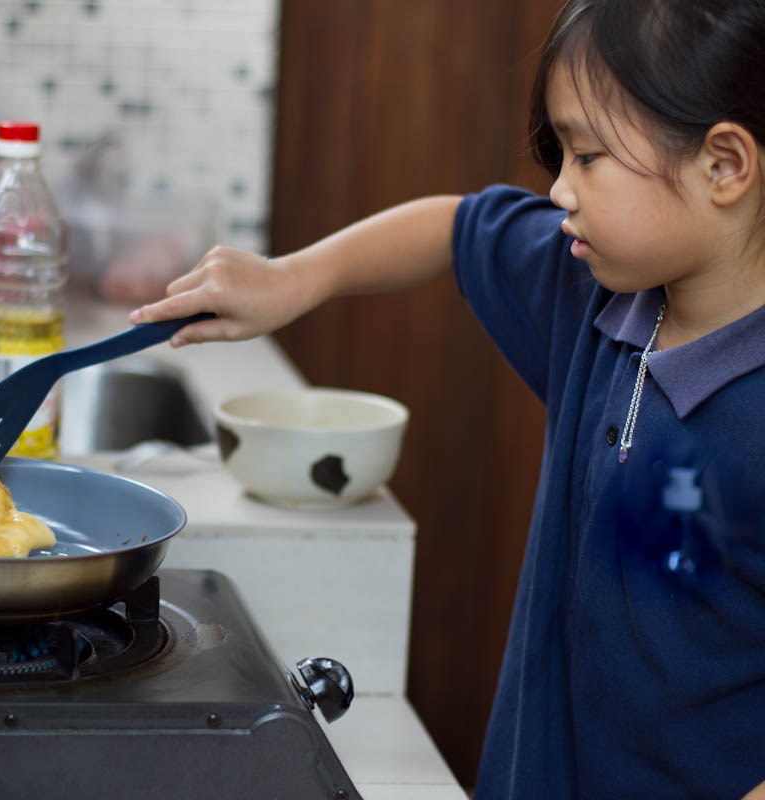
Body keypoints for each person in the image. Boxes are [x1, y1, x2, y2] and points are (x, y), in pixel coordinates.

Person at [130, 0, 765, 797]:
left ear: (725, 166)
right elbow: (460, 227)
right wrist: (297, 277)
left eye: (589, 156)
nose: (560, 190)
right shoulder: (596, 298)